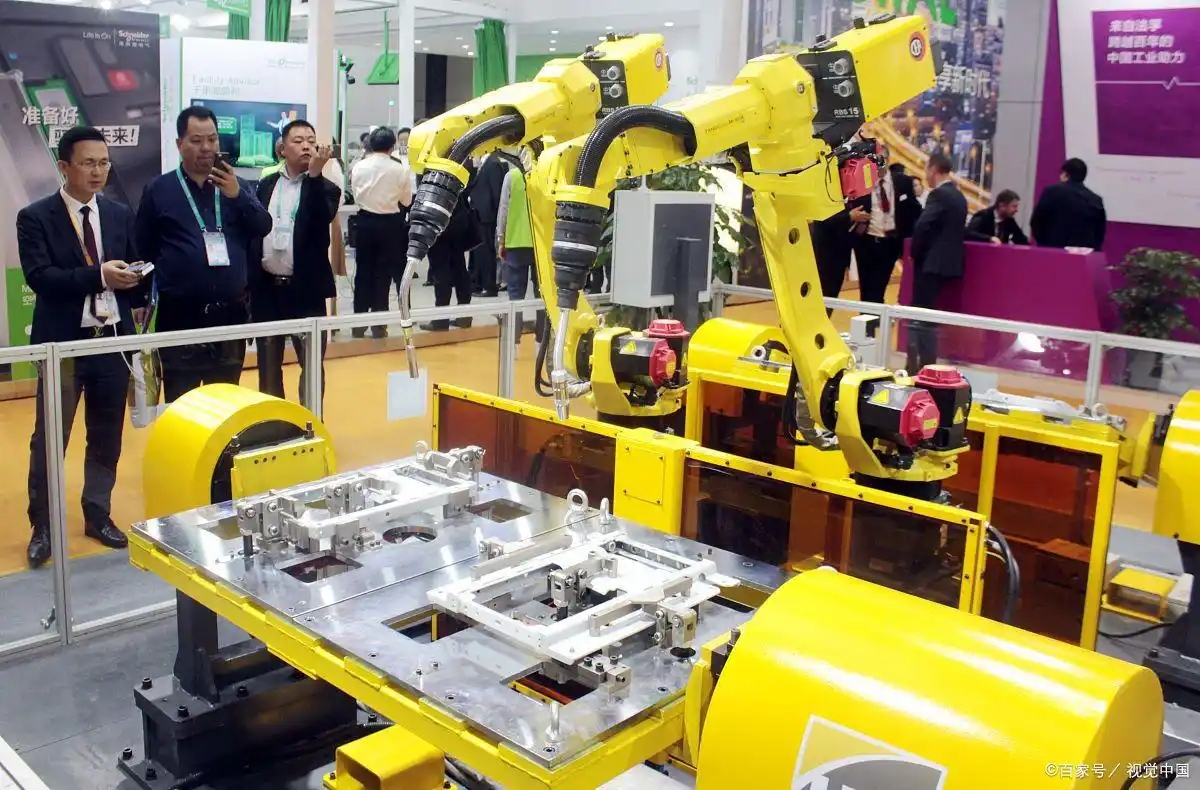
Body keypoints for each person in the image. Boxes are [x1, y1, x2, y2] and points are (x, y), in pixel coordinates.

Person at [18, 126, 146, 567]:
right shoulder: (35, 217)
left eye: (104, 162)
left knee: (106, 434)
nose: (98, 171)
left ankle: (97, 512)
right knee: (51, 437)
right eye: (89, 163)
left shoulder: (118, 214)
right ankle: (43, 525)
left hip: (111, 341)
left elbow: (132, 264)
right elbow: (41, 278)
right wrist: (99, 276)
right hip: (62, 346)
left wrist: (135, 277)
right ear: (64, 166)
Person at [136, 106, 272, 402]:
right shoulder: (159, 189)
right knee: (181, 403)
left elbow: (263, 226)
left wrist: (237, 196)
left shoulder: (237, 186)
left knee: (225, 402)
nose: (207, 148)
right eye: (197, 140)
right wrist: (141, 300)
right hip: (180, 315)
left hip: (230, 315)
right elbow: (143, 248)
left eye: (212, 139)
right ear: (179, 144)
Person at [250, 119, 341, 408]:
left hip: (306, 291)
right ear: (282, 148)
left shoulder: (327, 188)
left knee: (311, 364)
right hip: (268, 289)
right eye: (298, 140)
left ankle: (311, 421)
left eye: (311, 141)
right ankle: (274, 422)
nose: (306, 146)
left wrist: (314, 176)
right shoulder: (266, 185)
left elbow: (319, 219)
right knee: (268, 365)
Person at [349, 126, 412, 338]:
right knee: (382, 274)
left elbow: (355, 193)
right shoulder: (400, 169)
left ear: (370, 144)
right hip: (390, 225)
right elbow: (406, 201)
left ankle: (358, 324)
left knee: (362, 272)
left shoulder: (359, 166)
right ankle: (379, 325)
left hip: (364, 221)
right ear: (392, 147)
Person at [906, 153, 967, 372]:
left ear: (933, 169)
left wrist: (914, 252)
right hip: (950, 265)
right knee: (930, 316)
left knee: (920, 316)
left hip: (931, 264)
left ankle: (919, 365)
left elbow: (923, 225)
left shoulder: (938, 195)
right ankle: (926, 363)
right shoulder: (959, 196)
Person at [849, 146, 921, 303]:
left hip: (890, 244)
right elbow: (851, 206)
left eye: (881, 158)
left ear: (887, 160)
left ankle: (875, 315)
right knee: (866, 289)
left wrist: (908, 242)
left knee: (879, 287)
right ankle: (867, 317)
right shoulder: (862, 182)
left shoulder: (903, 182)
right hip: (866, 242)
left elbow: (913, 210)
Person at [420, 161, 481, 332]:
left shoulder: (431, 171)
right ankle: (464, 316)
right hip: (459, 224)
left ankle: (441, 320)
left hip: (439, 227)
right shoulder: (458, 169)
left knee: (441, 274)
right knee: (460, 270)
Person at [495, 149, 544, 344]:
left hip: (515, 242)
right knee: (542, 294)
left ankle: (514, 339)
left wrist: (500, 238)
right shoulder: (546, 177)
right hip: (541, 243)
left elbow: (503, 209)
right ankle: (542, 339)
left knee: (515, 294)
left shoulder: (512, 176)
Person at [1030, 158, 1107, 251]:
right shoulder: (1096, 200)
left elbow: (1037, 222)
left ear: (1065, 174)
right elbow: (1099, 234)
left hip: (1052, 252)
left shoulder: (1052, 192)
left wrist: (1045, 243)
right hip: (1082, 255)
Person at [468, 151, 508, 296]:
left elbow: (496, 192)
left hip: (487, 216)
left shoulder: (493, 163)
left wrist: (495, 215)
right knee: (479, 252)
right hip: (479, 214)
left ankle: (489, 286)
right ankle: (477, 283)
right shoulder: (484, 162)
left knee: (487, 252)